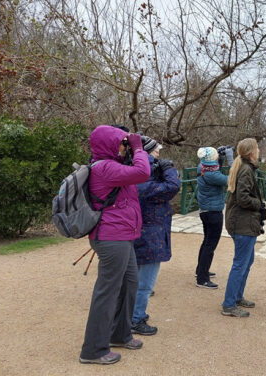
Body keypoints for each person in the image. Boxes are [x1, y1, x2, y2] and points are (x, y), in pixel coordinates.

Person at [79, 125, 151, 365]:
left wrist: (131, 150)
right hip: (111, 238)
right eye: (120, 143)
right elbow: (143, 172)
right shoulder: (105, 167)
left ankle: (119, 334)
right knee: (107, 291)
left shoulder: (113, 165)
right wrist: (139, 147)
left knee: (130, 283)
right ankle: (93, 350)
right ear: (108, 144)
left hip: (121, 236)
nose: (124, 147)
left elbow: (135, 173)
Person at [131, 141, 180, 336]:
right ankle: (135, 318)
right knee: (145, 283)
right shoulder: (142, 178)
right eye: (156, 153)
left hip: (143, 232)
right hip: (150, 235)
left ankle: (134, 314)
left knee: (136, 280)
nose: (159, 157)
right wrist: (168, 170)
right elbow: (172, 186)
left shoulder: (134, 173)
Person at [221, 138, 265, 318]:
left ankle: (237, 297)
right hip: (243, 224)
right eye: (257, 148)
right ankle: (229, 304)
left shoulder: (244, 167)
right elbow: (243, 198)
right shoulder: (246, 169)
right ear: (252, 152)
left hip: (243, 222)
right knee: (240, 264)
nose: (259, 150)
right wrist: (259, 204)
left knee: (246, 261)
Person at [194, 147, 229, 289]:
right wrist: (231, 159)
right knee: (210, 245)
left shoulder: (203, 168)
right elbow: (230, 179)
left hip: (206, 211)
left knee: (206, 242)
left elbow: (215, 167)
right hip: (213, 212)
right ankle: (202, 279)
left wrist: (220, 157)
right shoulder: (211, 175)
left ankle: (200, 271)